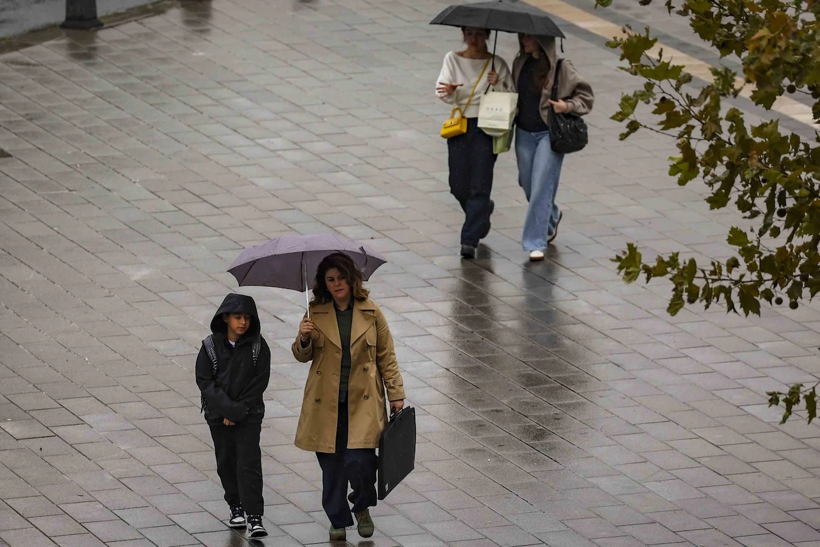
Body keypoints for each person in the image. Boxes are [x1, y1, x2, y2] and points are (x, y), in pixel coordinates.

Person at [292, 252, 406, 542]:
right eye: (330, 280)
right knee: (331, 467)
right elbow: (302, 355)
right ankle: (337, 519)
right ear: (324, 284)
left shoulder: (372, 311)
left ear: (352, 279)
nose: (337, 284)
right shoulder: (314, 312)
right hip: (325, 404)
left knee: (362, 462)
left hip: (363, 402)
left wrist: (396, 394)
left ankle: (363, 505)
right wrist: (303, 337)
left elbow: (386, 356)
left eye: (341, 278)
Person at [195, 293, 271, 539]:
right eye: (238, 317)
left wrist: (238, 411)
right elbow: (205, 381)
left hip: (249, 416)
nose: (243, 323)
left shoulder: (259, 347)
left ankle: (255, 516)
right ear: (226, 318)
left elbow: (259, 382)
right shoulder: (209, 347)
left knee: (249, 463)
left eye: (247, 318)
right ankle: (235, 506)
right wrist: (228, 410)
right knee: (226, 461)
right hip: (219, 417)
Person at [512, 33, 594, 261]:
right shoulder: (519, 62)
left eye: (528, 36)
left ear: (542, 39)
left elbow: (586, 97)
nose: (523, 40)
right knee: (528, 184)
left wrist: (566, 105)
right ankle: (552, 215)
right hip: (524, 133)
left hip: (550, 135)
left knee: (540, 185)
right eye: (521, 36)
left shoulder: (560, 66)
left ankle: (536, 242)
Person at [436, 27, 514, 260]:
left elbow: (511, 95)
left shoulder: (496, 63)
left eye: (479, 34)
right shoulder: (452, 59)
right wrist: (449, 91)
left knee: (480, 181)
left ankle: (469, 240)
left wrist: (497, 83)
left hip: (487, 126)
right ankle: (481, 212)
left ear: (488, 35)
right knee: (457, 184)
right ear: (463, 34)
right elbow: (442, 89)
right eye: (469, 34)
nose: (474, 39)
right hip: (460, 124)